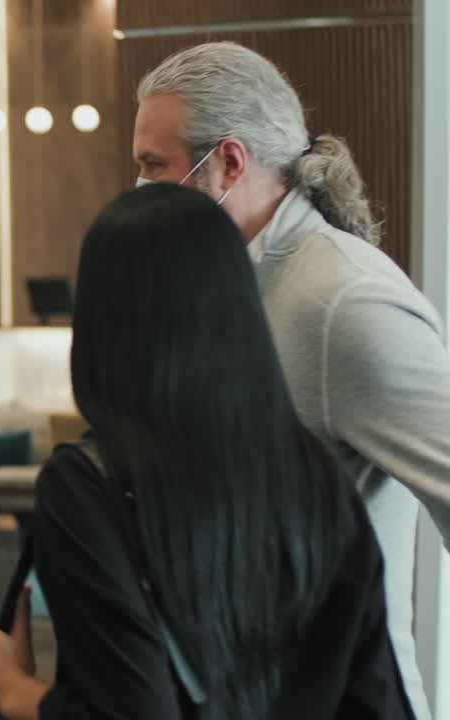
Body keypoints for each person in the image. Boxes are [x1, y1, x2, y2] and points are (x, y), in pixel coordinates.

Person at [0, 184, 414, 719]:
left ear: (103, 320)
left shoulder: (88, 485)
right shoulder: (316, 477)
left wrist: (13, 690)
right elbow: (378, 698)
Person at [120, 41, 450, 718]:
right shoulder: (230, 280)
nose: (141, 190)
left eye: (154, 167)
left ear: (229, 163)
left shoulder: (342, 301)